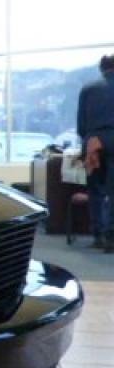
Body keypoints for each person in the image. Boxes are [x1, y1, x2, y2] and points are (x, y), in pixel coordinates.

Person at [77, 55, 114, 251]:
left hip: (92, 141)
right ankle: (111, 237)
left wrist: (89, 141)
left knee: (96, 191)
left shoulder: (88, 88)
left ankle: (98, 234)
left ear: (101, 68)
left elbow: (81, 124)